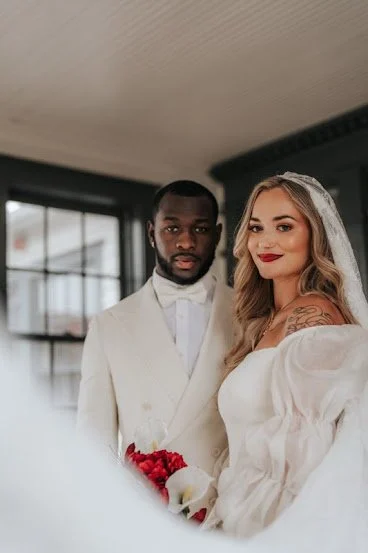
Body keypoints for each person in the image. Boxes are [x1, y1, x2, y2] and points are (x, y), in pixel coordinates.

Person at [205, 172, 368, 551]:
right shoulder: (263, 324)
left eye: (285, 226)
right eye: (257, 227)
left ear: (314, 236)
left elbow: (308, 464)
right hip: (240, 518)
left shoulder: (315, 318)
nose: (266, 240)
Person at [77, 180, 233, 507]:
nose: (186, 241)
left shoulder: (251, 314)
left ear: (218, 235)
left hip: (233, 506)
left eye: (201, 229)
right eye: (172, 228)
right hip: (147, 514)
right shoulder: (109, 326)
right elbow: (93, 443)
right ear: (151, 233)